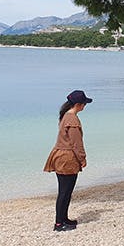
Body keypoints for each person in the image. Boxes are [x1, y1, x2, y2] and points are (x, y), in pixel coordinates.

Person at [43, 89, 92, 232]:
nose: (85, 106)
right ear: (78, 104)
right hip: (67, 159)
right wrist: (82, 158)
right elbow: (76, 143)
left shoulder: (65, 115)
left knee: (65, 191)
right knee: (65, 191)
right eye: (84, 103)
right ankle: (59, 223)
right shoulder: (72, 119)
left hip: (60, 156)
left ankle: (64, 218)